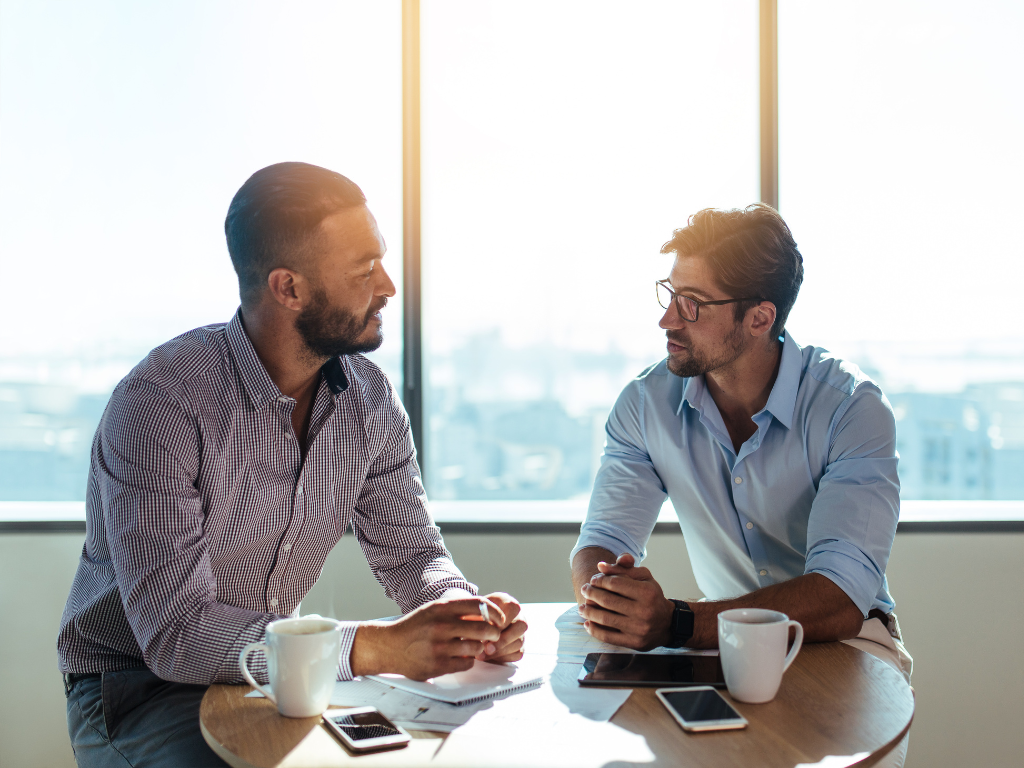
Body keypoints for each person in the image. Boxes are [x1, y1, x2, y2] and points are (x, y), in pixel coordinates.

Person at [58, 162, 527, 768]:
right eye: (364, 269)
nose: (388, 285)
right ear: (289, 288)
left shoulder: (369, 400)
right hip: (138, 688)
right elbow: (176, 636)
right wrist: (377, 647)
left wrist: (463, 614)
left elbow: (414, 554)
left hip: (287, 672)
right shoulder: (162, 403)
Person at [570, 204, 912, 682]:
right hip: (720, 640)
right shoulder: (645, 405)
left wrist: (677, 621)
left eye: (691, 302)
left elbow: (839, 597)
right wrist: (611, 602)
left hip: (847, 642)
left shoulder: (852, 408)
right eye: (669, 293)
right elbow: (603, 541)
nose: (668, 319)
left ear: (759, 318)